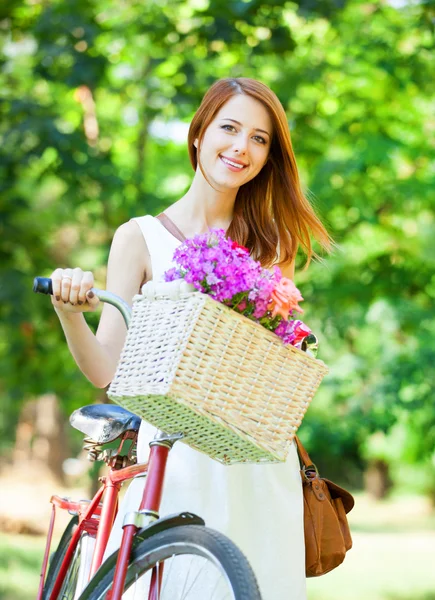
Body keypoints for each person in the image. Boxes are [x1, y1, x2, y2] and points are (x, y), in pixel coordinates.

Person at [51, 77, 331, 600]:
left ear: (269, 156)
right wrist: (70, 315)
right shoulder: (138, 238)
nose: (241, 147)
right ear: (199, 134)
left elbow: (274, 366)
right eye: (229, 128)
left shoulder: (273, 247)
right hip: (174, 454)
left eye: (259, 138)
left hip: (255, 462)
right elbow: (106, 369)